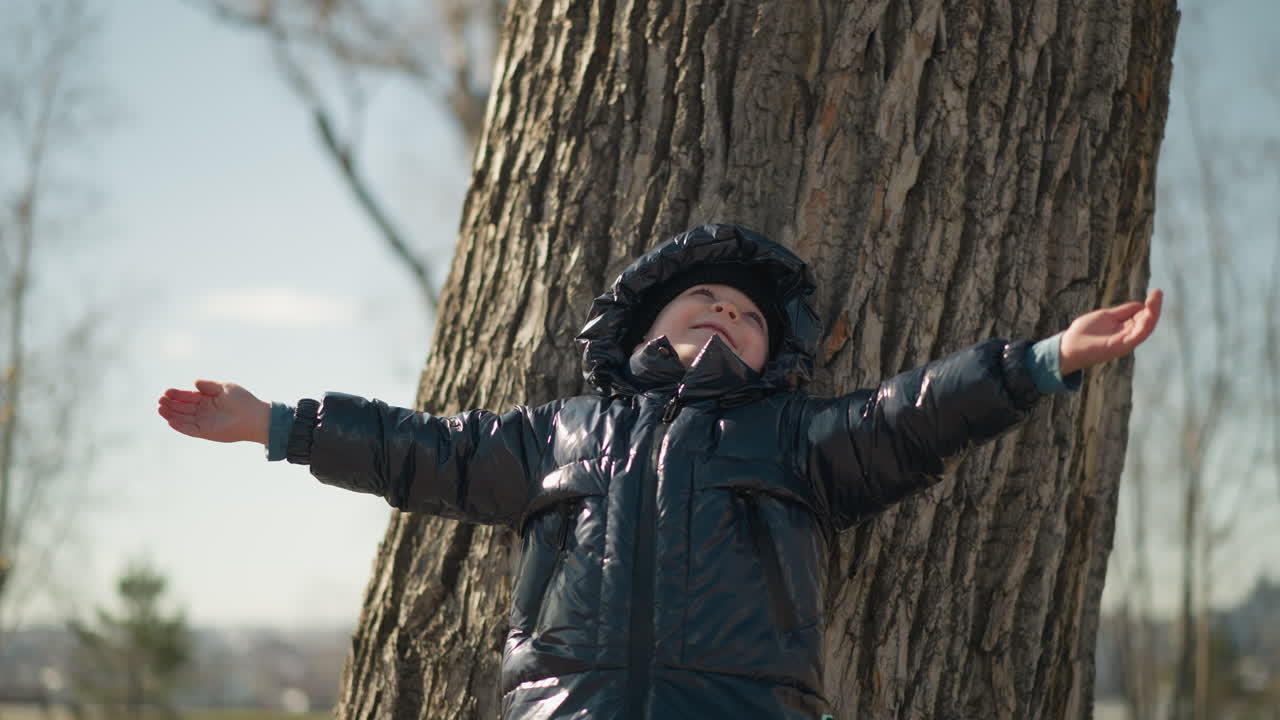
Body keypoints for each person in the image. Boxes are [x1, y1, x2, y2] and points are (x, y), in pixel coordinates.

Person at [157, 224, 1162, 720]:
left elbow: (910, 419)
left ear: (773, 355)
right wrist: (279, 425)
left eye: (748, 315)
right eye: (705, 299)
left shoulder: (792, 440)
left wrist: (1039, 362)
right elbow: (428, 454)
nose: (725, 313)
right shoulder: (557, 433)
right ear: (643, 326)